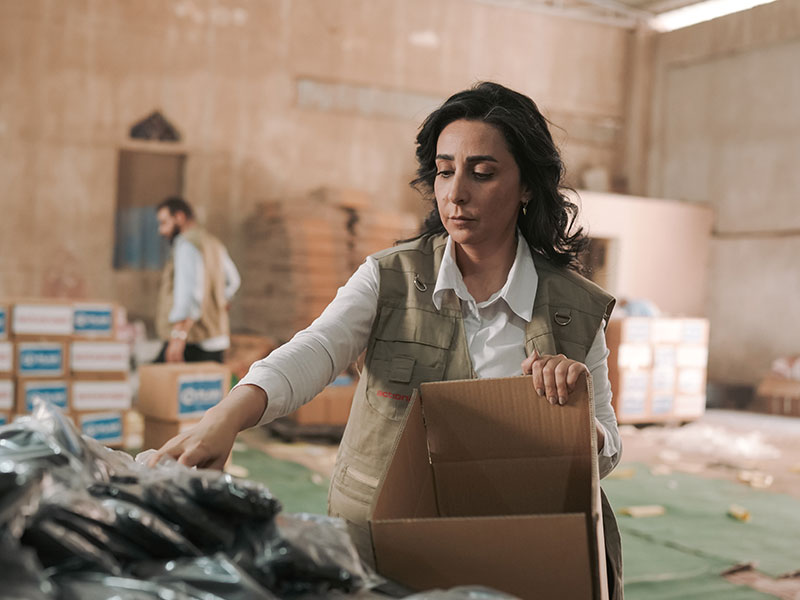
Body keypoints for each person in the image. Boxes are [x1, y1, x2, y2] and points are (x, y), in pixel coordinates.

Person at [148, 83, 624, 597]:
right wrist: (227, 416)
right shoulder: (388, 278)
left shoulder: (574, 309)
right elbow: (318, 348)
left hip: (516, 545)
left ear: (528, 185)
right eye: (444, 171)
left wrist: (574, 417)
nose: (455, 192)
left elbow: (609, 450)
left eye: (482, 173)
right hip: (390, 544)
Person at [154, 196, 241, 363]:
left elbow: (189, 295)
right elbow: (233, 280)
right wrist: (219, 301)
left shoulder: (186, 245)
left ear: (179, 217)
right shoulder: (213, 242)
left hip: (192, 341)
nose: (161, 230)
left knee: (154, 384)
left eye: (164, 223)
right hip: (216, 338)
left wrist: (178, 337)